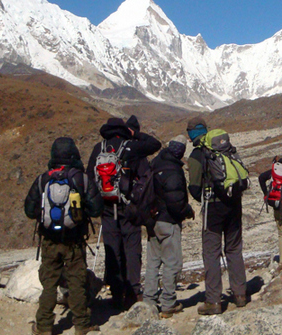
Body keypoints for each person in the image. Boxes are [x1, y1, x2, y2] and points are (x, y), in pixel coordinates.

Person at [24, 137, 104, 335]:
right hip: (74, 240)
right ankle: (81, 325)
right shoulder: (81, 179)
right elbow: (96, 209)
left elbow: (30, 210)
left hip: (50, 239)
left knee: (49, 283)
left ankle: (44, 326)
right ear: (74, 154)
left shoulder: (43, 179)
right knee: (77, 281)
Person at [86, 115, 161, 310]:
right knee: (132, 248)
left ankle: (116, 293)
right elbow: (154, 144)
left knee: (113, 250)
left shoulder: (98, 149)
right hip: (128, 207)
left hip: (107, 208)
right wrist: (135, 134)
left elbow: (89, 179)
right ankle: (134, 292)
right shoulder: (130, 146)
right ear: (123, 130)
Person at [186, 117, 247, 315]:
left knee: (211, 253)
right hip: (233, 204)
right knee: (234, 248)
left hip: (212, 209)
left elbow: (195, 188)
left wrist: (203, 196)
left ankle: (213, 301)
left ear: (191, 135)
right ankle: (240, 295)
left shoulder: (197, 155)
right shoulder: (226, 149)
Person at [143, 140, 194, 317]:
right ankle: (168, 303)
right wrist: (187, 210)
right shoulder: (173, 170)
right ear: (180, 152)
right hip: (168, 221)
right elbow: (175, 201)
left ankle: (148, 302)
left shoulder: (154, 164)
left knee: (153, 263)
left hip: (152, 221)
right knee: (172, 263)